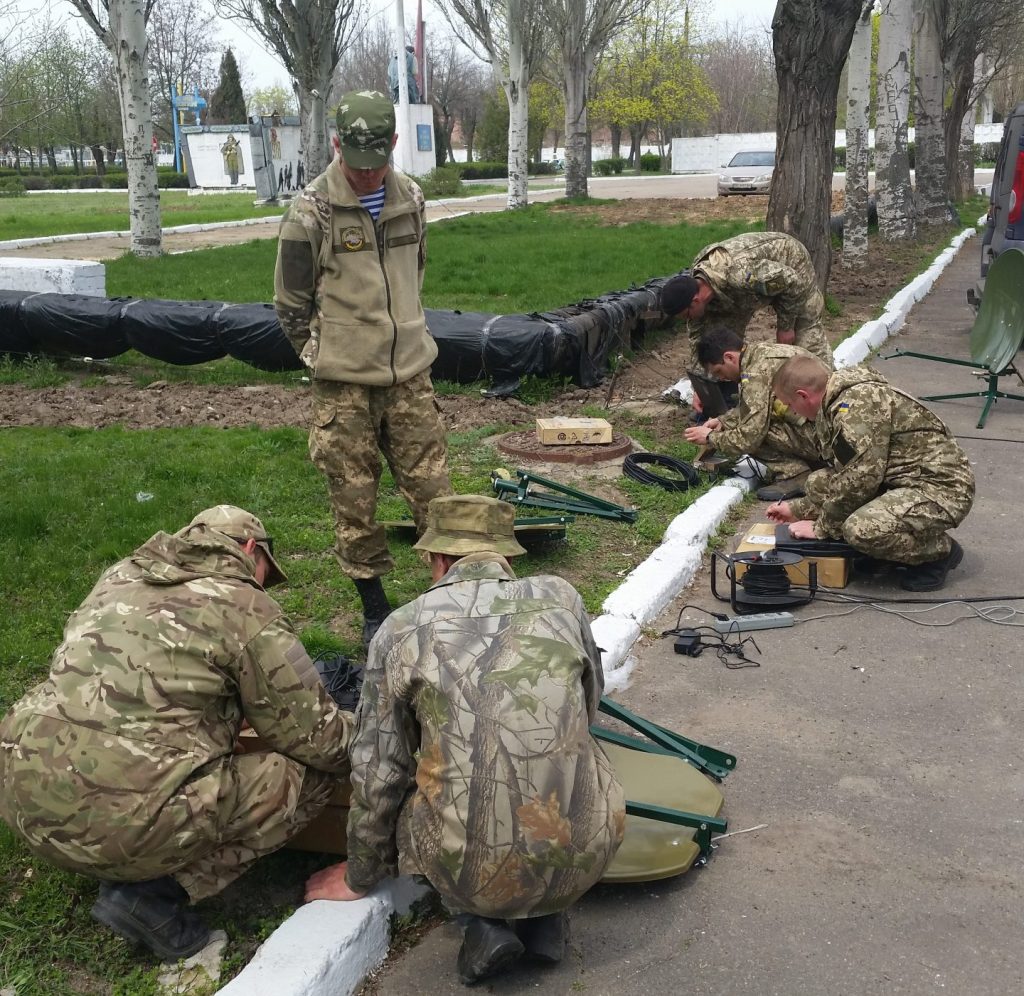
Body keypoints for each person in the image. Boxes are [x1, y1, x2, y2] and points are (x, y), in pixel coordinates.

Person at [0, 506, 355, 961]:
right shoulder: (244, 604)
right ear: (252, 549)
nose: (264, 585)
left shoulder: (117, 577)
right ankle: (155, 895)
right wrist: (371, 731)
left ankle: (117, 844)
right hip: (119, 827)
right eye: (267, 572)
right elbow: (320, 741)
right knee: (309, 774)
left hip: (24, 802)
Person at [304, 495, 626, 986]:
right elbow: (589, 702)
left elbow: (378, 770)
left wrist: (358, 876)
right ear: (507, 556)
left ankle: (480, 925)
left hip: (476, 876)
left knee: (416, 792)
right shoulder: (563, 599)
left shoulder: (401, 628)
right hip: (589, 853)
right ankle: (545, 917)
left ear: (436, 558)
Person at [273, 89, 452, 647]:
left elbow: (415, 271)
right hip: (344, 387)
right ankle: (374, 607)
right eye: (357, 163)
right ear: (336, 145)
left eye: (378, 162)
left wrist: (405, 330)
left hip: (410, 376)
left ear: (394, 144)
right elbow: (290, 303)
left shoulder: (411, 199)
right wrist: (322, 356)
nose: (368, 174)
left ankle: (451, 597)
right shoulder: (311, 212)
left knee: (435, 492)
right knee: (355, 500)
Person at [765, 355, 975, 591]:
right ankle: (882, 551)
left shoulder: (856, 406)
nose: (793, 412)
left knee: (860, 530)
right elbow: (846, 472)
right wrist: (797, 510)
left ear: (803, 395)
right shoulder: (838, 401)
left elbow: (861, 479)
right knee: (818, 483)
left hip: (941, 489)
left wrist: (822, 527)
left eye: (790, 405)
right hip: (901, 481)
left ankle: (938, 552)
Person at [683, 327, 828, 501]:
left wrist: (710, 437)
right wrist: (723, 421)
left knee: (754, 431)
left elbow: (749, 437)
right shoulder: (761, 353)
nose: (721, 378)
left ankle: (794, 474)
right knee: (752, 421)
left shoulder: (755, 373)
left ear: (729, 357)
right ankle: (813, 463)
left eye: (719, 371)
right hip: (827, 431)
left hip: (823, 436)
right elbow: (754, 406)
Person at [660, 231, 833, 365]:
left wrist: (786, 327)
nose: (688, 320)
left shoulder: (740, 274)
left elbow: (791, 281)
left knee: (806, 339)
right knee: (721, 346)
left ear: (695, 301)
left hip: (791, 267)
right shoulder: (699, 283)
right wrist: (701, 384)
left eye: (686, 316)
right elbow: (699, 338)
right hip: (744, 291)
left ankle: (830, 388)